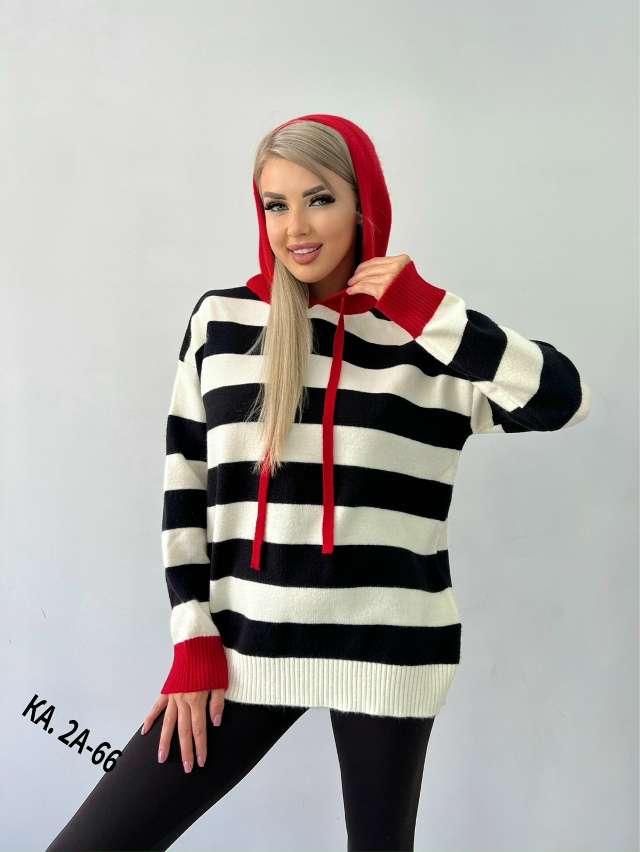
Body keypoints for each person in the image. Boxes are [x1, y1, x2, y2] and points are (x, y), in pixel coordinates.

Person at [44, 113, 591, 852]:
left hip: (389, 652)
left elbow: (562, 400)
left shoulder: (426, 338)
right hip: (242, 651)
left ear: (363, 204)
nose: (295, 227)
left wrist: (426, 309)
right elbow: (185, 488)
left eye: (319, 199)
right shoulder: (222, 322)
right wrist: (191, 636)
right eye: (276, 204)